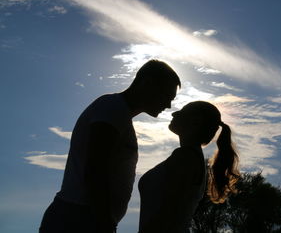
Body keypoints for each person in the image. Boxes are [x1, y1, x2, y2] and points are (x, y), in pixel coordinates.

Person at [39, 60, 181, 233]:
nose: (168, 105)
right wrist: (104, 221)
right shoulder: (112, 108)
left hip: (85, 217)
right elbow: (95, 168)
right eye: (166, 96)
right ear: (147, 83)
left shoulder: (118, 114)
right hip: (78, 217)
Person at [138, 101, 240, 233]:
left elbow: (168, 210)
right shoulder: (190, 157)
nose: (174, 113)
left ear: (195, 121)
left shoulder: (185, 158)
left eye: (181, 112)